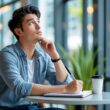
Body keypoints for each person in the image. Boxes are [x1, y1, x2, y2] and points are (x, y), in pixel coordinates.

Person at [0, 5, 83, 110]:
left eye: (38, 21)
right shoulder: (7, 54)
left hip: (32, 107)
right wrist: (65, 88)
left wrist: (54, 55)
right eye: (31, 23)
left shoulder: (42, 56)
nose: (38, 26)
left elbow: (65, 83)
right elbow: (20, 88)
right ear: (19, 32)